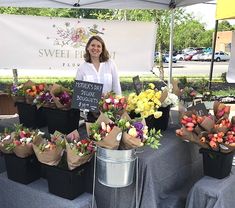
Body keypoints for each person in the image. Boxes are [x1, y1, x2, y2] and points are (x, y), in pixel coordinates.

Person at [76, 35, 122, 122]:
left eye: (98, 46)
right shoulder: (82, 68)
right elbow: (79, 93)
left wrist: (119, 106)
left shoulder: (110, 64)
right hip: (91, 112)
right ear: (88, 48)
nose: (95, 48)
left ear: (102, 49)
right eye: (93, 45)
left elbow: (116, 86)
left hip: (110, 110)